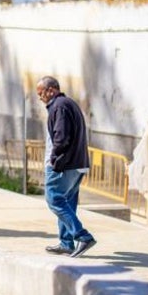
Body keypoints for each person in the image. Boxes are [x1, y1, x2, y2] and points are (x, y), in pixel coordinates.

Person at [36, 76, 96, 258]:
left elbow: (61, 138)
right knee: (67, 201)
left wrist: (54, 160)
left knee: (54, 199)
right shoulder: (67, 103)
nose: (40, 97)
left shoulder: (59, 106)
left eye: (41, 93)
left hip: (64, 165)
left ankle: (83, 236)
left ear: (51, 90)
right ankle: (66, 243)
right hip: (77, 163)